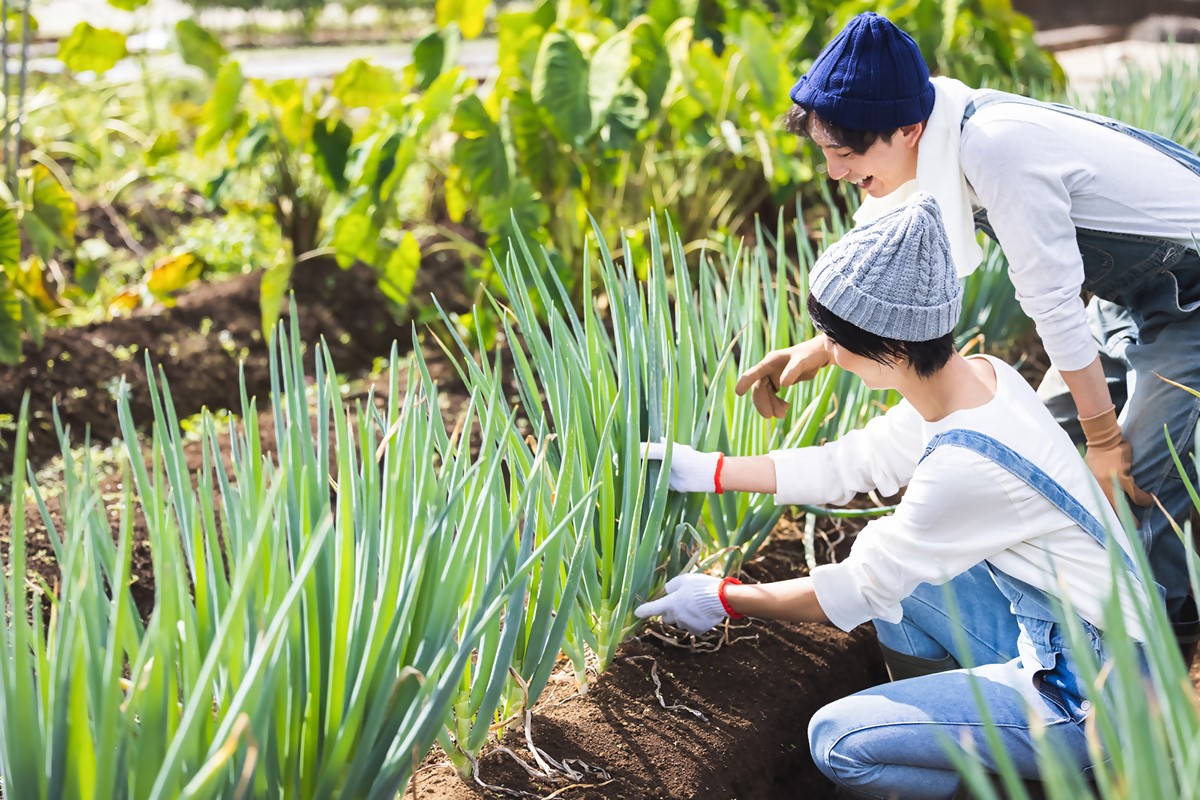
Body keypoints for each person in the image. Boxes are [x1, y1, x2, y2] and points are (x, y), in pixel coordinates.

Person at [635, 193, 1154, 799]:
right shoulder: (982, 378)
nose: (827, 351)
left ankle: (1021, 777)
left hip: (1091, 700)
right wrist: (710, 471)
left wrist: (723, 598)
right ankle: (967, 736)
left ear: (894, 348)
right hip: (1088, 639)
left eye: (835, 338)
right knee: (913, 592)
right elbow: (852, 463)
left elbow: (854, 591)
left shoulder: (966, 465)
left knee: (836, 738)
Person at [734, 11, 1200, 646]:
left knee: (1136, 473)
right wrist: (818, 347)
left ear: (907, 129)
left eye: (845, 155)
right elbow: (882, 273)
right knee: (1044, 443)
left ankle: (1163, 678)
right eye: (826, 154)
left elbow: (1052, 300)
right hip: (1130, 295)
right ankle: (1067, 636)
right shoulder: (927, 135)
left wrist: (1104, 437)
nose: (835, 173)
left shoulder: (996, 147)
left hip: (1190, 296)